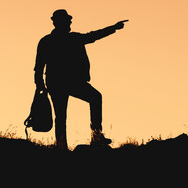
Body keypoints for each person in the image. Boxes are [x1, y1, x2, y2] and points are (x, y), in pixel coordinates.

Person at [34, 9, 128, 150]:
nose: (70, 22)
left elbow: (38, 67)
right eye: (68, 20)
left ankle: (65, 144)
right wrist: (40, 85)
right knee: (91, 100)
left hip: (57, 83)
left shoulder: (48, 41)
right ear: (59, 23)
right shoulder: (70, 39)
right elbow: (39, 66)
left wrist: (40, 85)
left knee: (61, 116)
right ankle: (94, 137)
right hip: (68, 82)